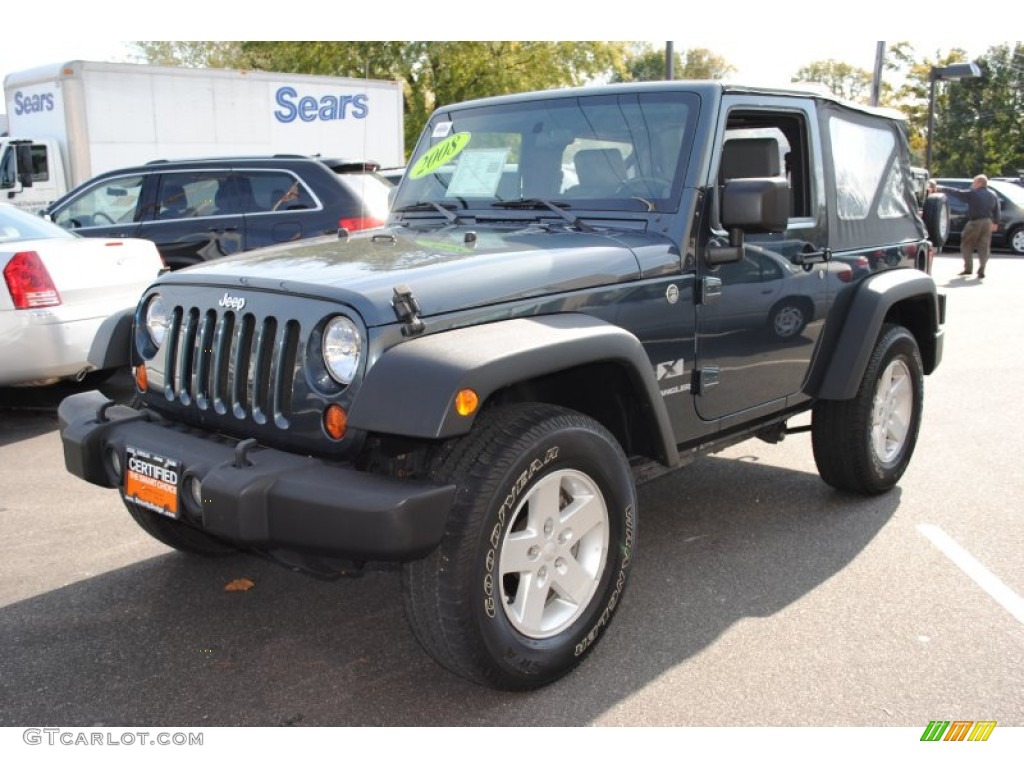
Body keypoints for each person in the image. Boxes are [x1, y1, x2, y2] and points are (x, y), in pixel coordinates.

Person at [936, 175, 1001, 280]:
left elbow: (958, 192)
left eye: (974, 182)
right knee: (984, 246)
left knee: (966, 244)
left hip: (975, 222)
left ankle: (968, 268)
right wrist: (996, 223)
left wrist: (942, 188)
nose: (972, 184)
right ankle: (982, 269)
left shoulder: (973, 193)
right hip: (988, 222)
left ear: (979, 183)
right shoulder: (993, 194)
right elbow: (997, 209)